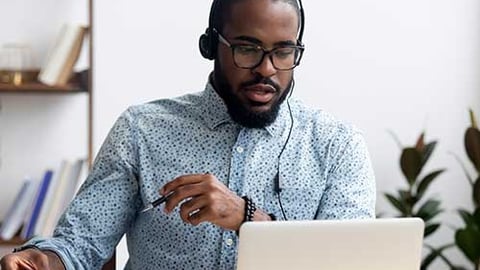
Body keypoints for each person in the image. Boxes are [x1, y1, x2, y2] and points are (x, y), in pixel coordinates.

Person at [0, 0, 376, 269]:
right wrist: (44, 260)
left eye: (283, 52)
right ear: (211, 46)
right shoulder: (141, 130)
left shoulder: (337, 145)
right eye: (247, 48)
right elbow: (80, 245)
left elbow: (351, 262)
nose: (267, 69)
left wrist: (246, 219)